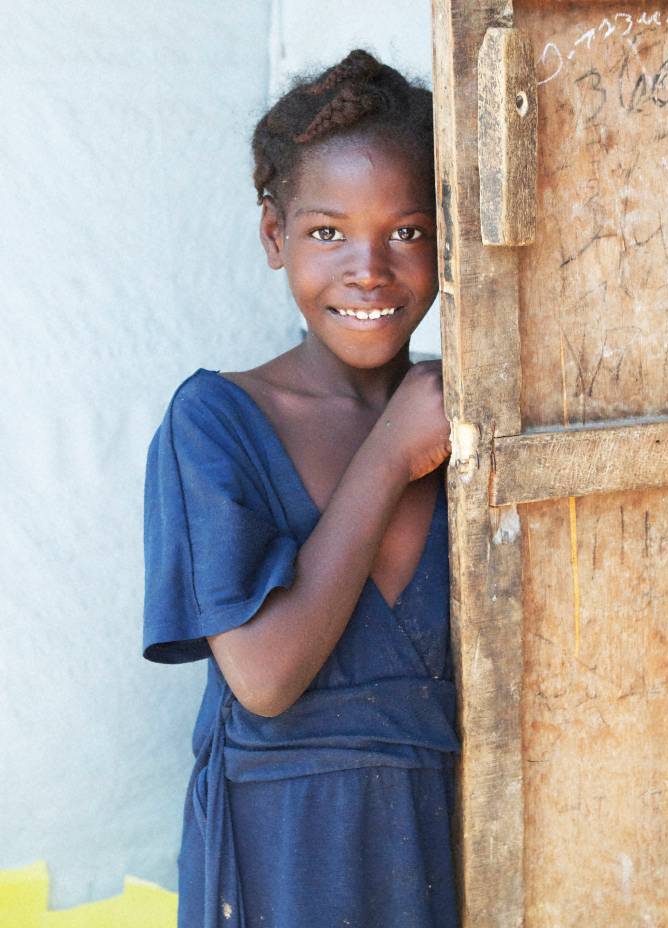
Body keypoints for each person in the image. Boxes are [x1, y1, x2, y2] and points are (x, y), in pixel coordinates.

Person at [143, 48, 459, 928]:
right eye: (328, 232)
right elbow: (267, 676)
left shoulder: (468, 419)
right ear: (275, 236)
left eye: (407, 230)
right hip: (281, 859)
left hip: (444, 847)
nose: (369, 268)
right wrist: (390, 455)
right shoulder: (215, 422)